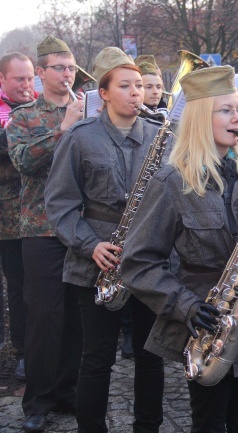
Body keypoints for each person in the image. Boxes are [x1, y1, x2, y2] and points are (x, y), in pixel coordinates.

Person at [120, 65, 238, 433]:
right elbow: (137, 262)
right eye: (227, 110)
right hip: (205, 324)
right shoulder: (172, 181)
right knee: (209, 423)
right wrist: (185, 306)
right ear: (202, 119)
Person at [44, 47, 166, 433]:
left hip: (150, 260)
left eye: (140, 86)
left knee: (151, 355)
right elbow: (60, 203)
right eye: (126, 85)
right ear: (105, 93)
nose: (136, 92)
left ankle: (148, 427)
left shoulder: (161, 136)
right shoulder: (80, 137)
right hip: (98, 261)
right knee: (96, 358)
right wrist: (89, 244)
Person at [6, 35, 84, 433]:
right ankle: (37, 401)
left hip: (81, 229)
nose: (68, 74)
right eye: (60, 68)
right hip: (40, 230)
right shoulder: (25, 117)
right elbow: (23, 162)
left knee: (76, 317)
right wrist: (64, 128)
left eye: (71, 68)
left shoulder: (88, 110)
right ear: (41, 73)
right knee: (43, 317)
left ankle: (67, 391)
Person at [0, 51, 35, 381]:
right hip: (7, 221)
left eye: (29, 78)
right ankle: (22, 352)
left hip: (39, 217)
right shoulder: (10, 114)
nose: (26, 85)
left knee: (39, 289)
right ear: (3, 80)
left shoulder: (40, 108)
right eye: (19, 79)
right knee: (17, 288)